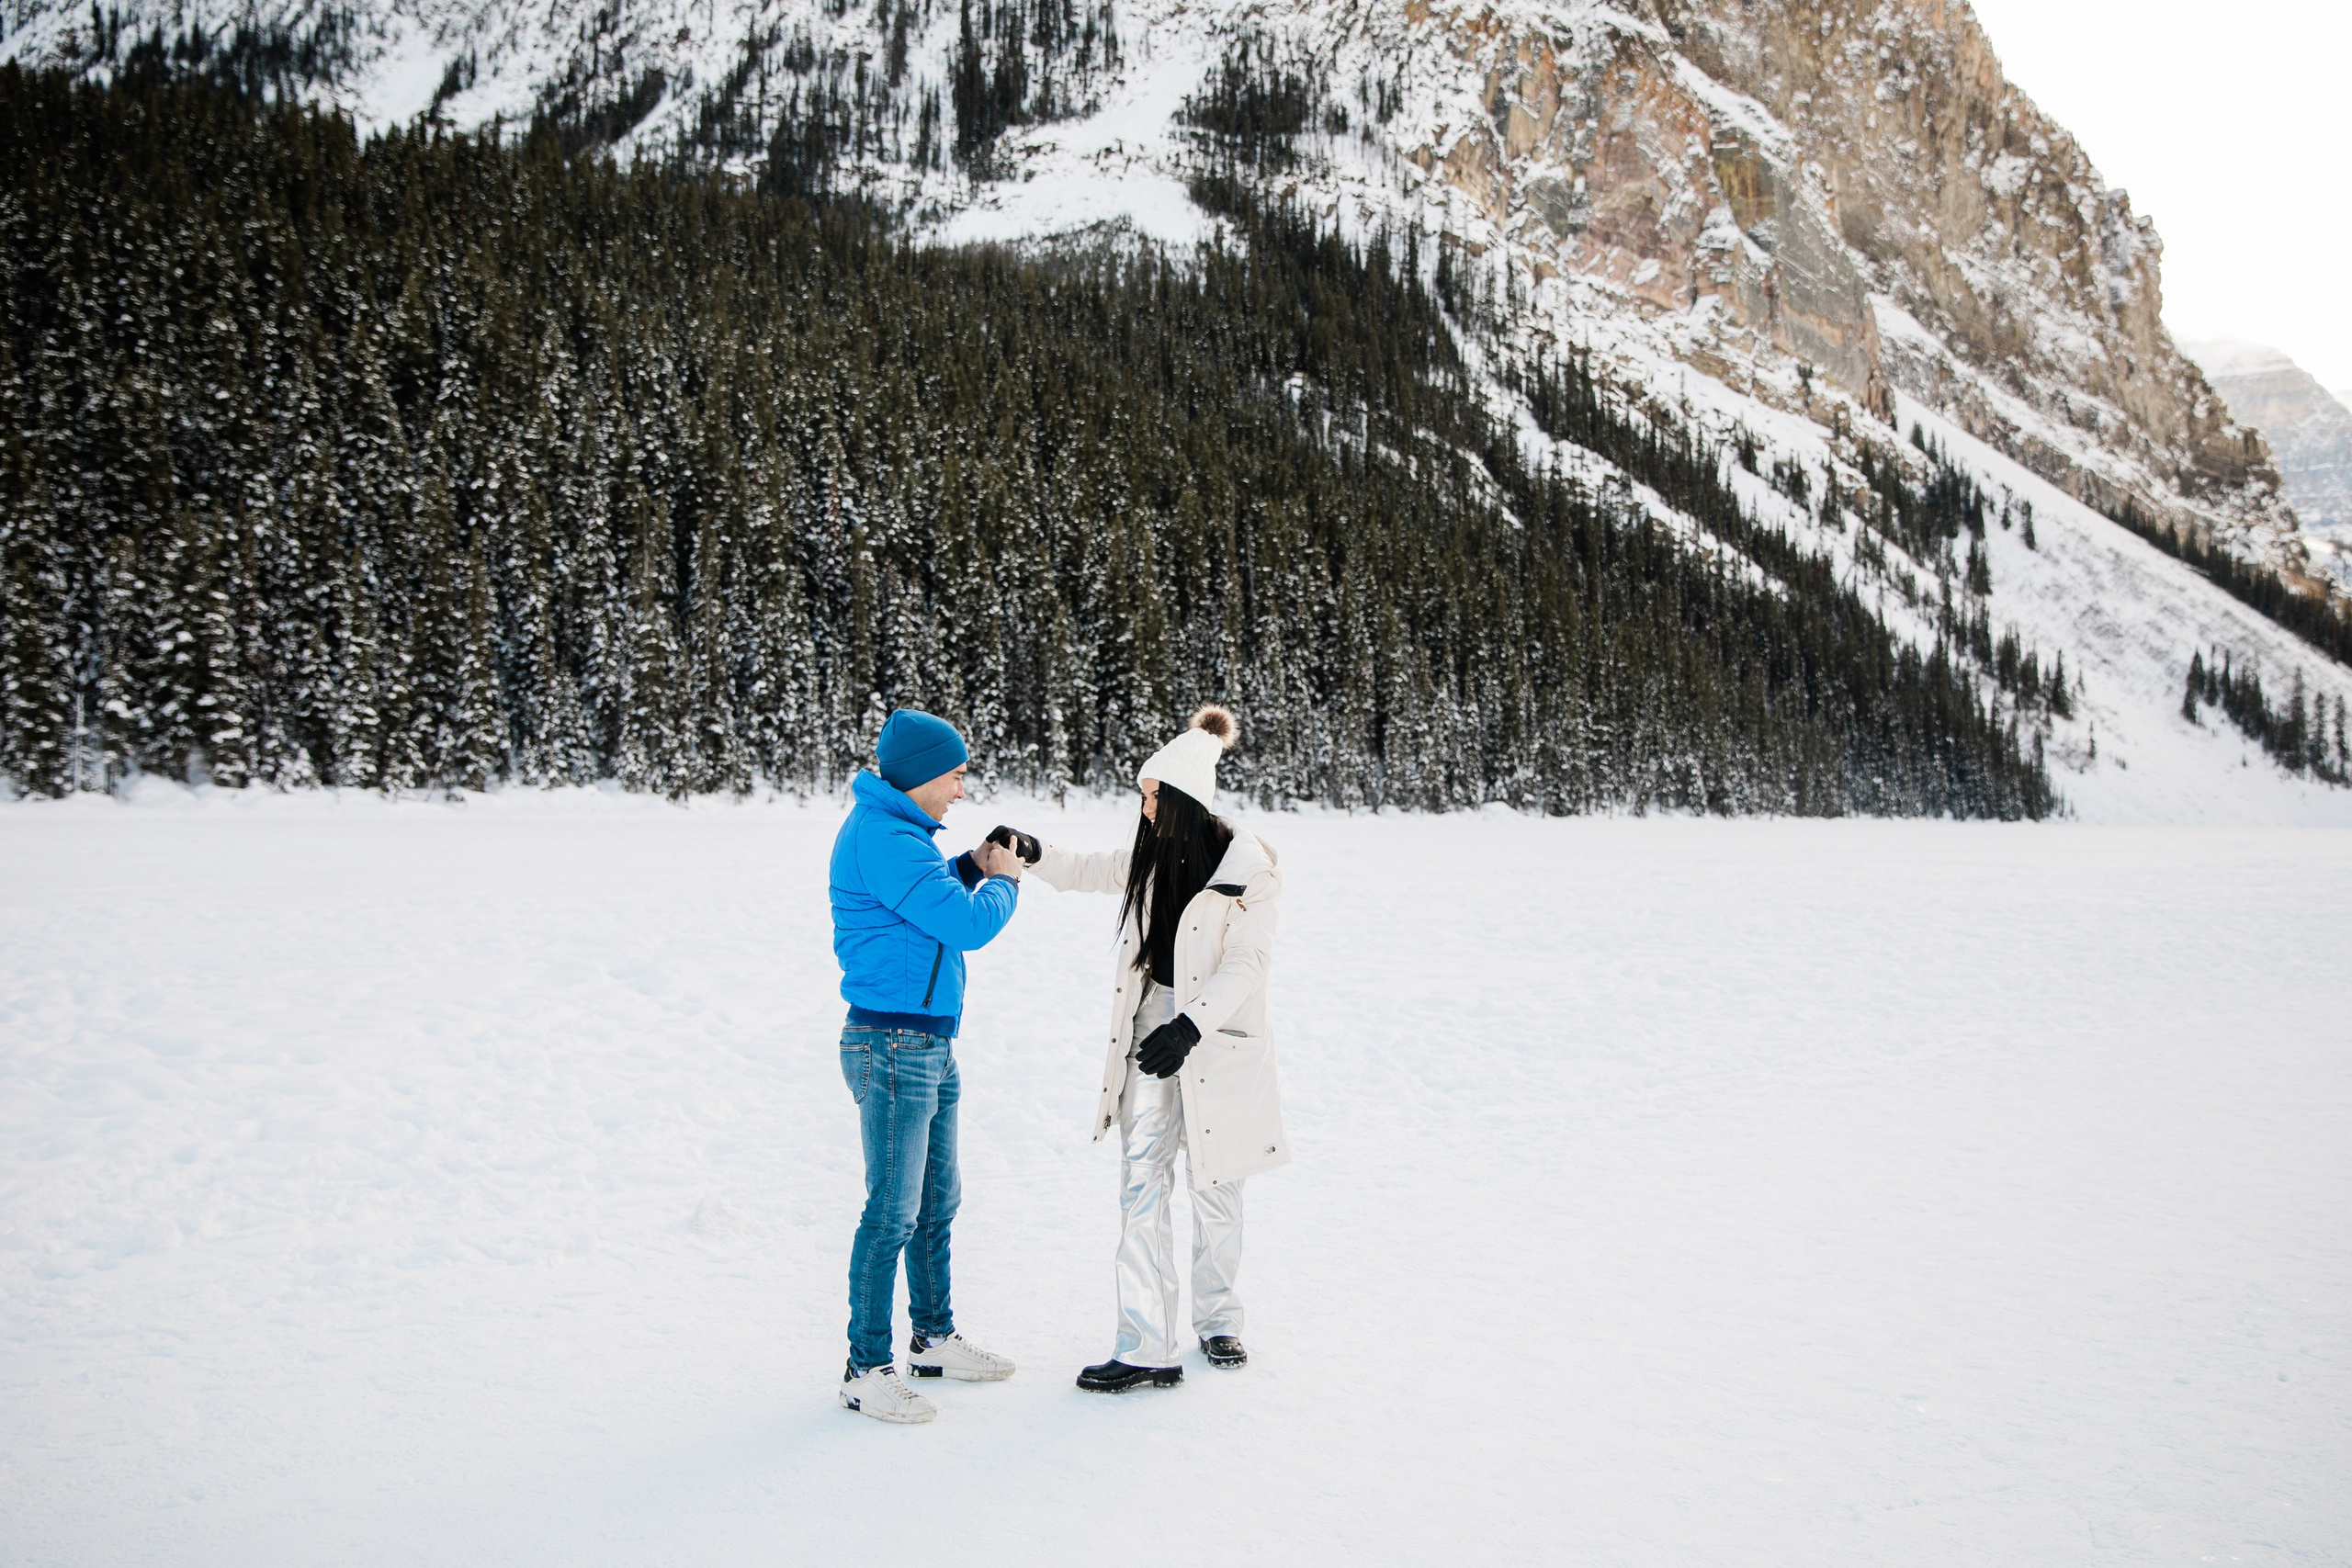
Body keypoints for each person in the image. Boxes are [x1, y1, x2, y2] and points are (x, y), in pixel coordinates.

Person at [992, 705, 1290, 1393]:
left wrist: (1191, 1026)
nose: (1145, 806)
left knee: (1217, 1182)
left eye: (1153, 795)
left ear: (1184, 799)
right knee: (1140, 1180)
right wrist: (1032, 851)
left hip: (1215, 1034)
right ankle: (1145, 1342)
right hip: (1151, 1024)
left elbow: (1246, 965)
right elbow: (1090, 869)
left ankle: (1218, 1320)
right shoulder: (1153, 857)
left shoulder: (1249, 869)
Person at [828, 707, 1026, 1424]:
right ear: (918, 777)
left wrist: (972, 864)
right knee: (892, 1211)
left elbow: (926, 896)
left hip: (926, 1044)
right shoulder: (884, 836)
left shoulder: (900, 838)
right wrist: (1003, 880)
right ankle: (865, 1367)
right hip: (891, 1046)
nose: (961, 791)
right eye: (954, 776)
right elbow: (965, 923)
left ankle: (933, 1337)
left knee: (935, 1202)